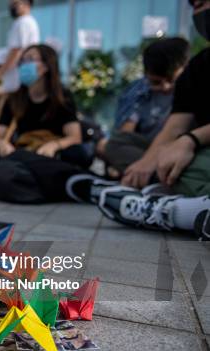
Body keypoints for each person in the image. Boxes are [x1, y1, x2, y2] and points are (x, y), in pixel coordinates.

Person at [68, 0, 210, 240]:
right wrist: (148, 161)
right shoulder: (197, 69)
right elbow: (173, 127)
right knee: (127, 147)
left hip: (196, 151)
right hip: (187, 154)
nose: (201, 11)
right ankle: (179, 200)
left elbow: (181, 135)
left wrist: (191, 140)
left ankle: (175, 208)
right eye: (195, 5)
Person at [0, 44, 86, 169]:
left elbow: (75, 137)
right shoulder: (14, 97)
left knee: (78, 153)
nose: (24, 65)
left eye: (30, 59)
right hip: (24, 148)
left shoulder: (62, 97)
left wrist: (54, 145)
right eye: (22, 60)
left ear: (47, 66)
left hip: (51, 151)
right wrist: (2, 145)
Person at [99, 38, 190, 177]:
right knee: (111, 144)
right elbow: (126, 131)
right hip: (149, 147)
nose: (165, 87)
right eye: (156, 82)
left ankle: (151, 175)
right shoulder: (138, 90)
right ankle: (157, 174)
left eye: (171, 81)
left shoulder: (191, 86)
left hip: (181, 146)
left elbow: (177, 129)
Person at [0, 0, 40, 94]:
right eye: (11, 4)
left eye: (15, 4)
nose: (12, 7)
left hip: (17, 81)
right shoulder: (30, 22)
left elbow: (15, 53)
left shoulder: (22, 22)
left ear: (27, 4)